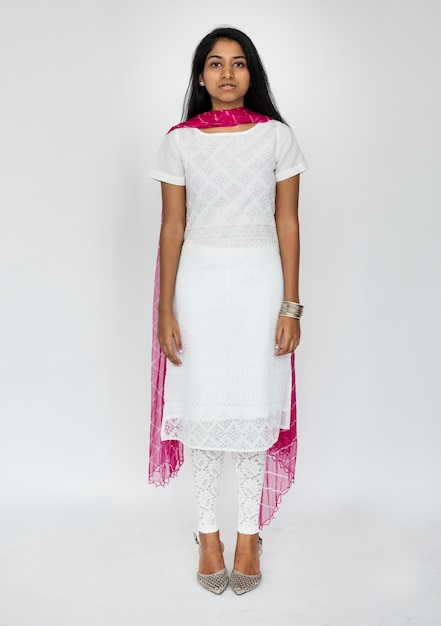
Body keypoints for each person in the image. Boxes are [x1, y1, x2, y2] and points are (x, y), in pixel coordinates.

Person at [148, 26, 308, 595]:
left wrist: (290, 304)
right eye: (214, 64)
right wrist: (166, 309)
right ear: (200, 76)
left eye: (238, 64)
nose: (226, 74)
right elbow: (173, 227)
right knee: (205, 408)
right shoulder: (180, 141)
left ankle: (248, 533)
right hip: (200, 284)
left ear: (251, 74)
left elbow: (287, 223)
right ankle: (207, 532)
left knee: (251, 405)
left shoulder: (276, 138)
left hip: (260, 282)